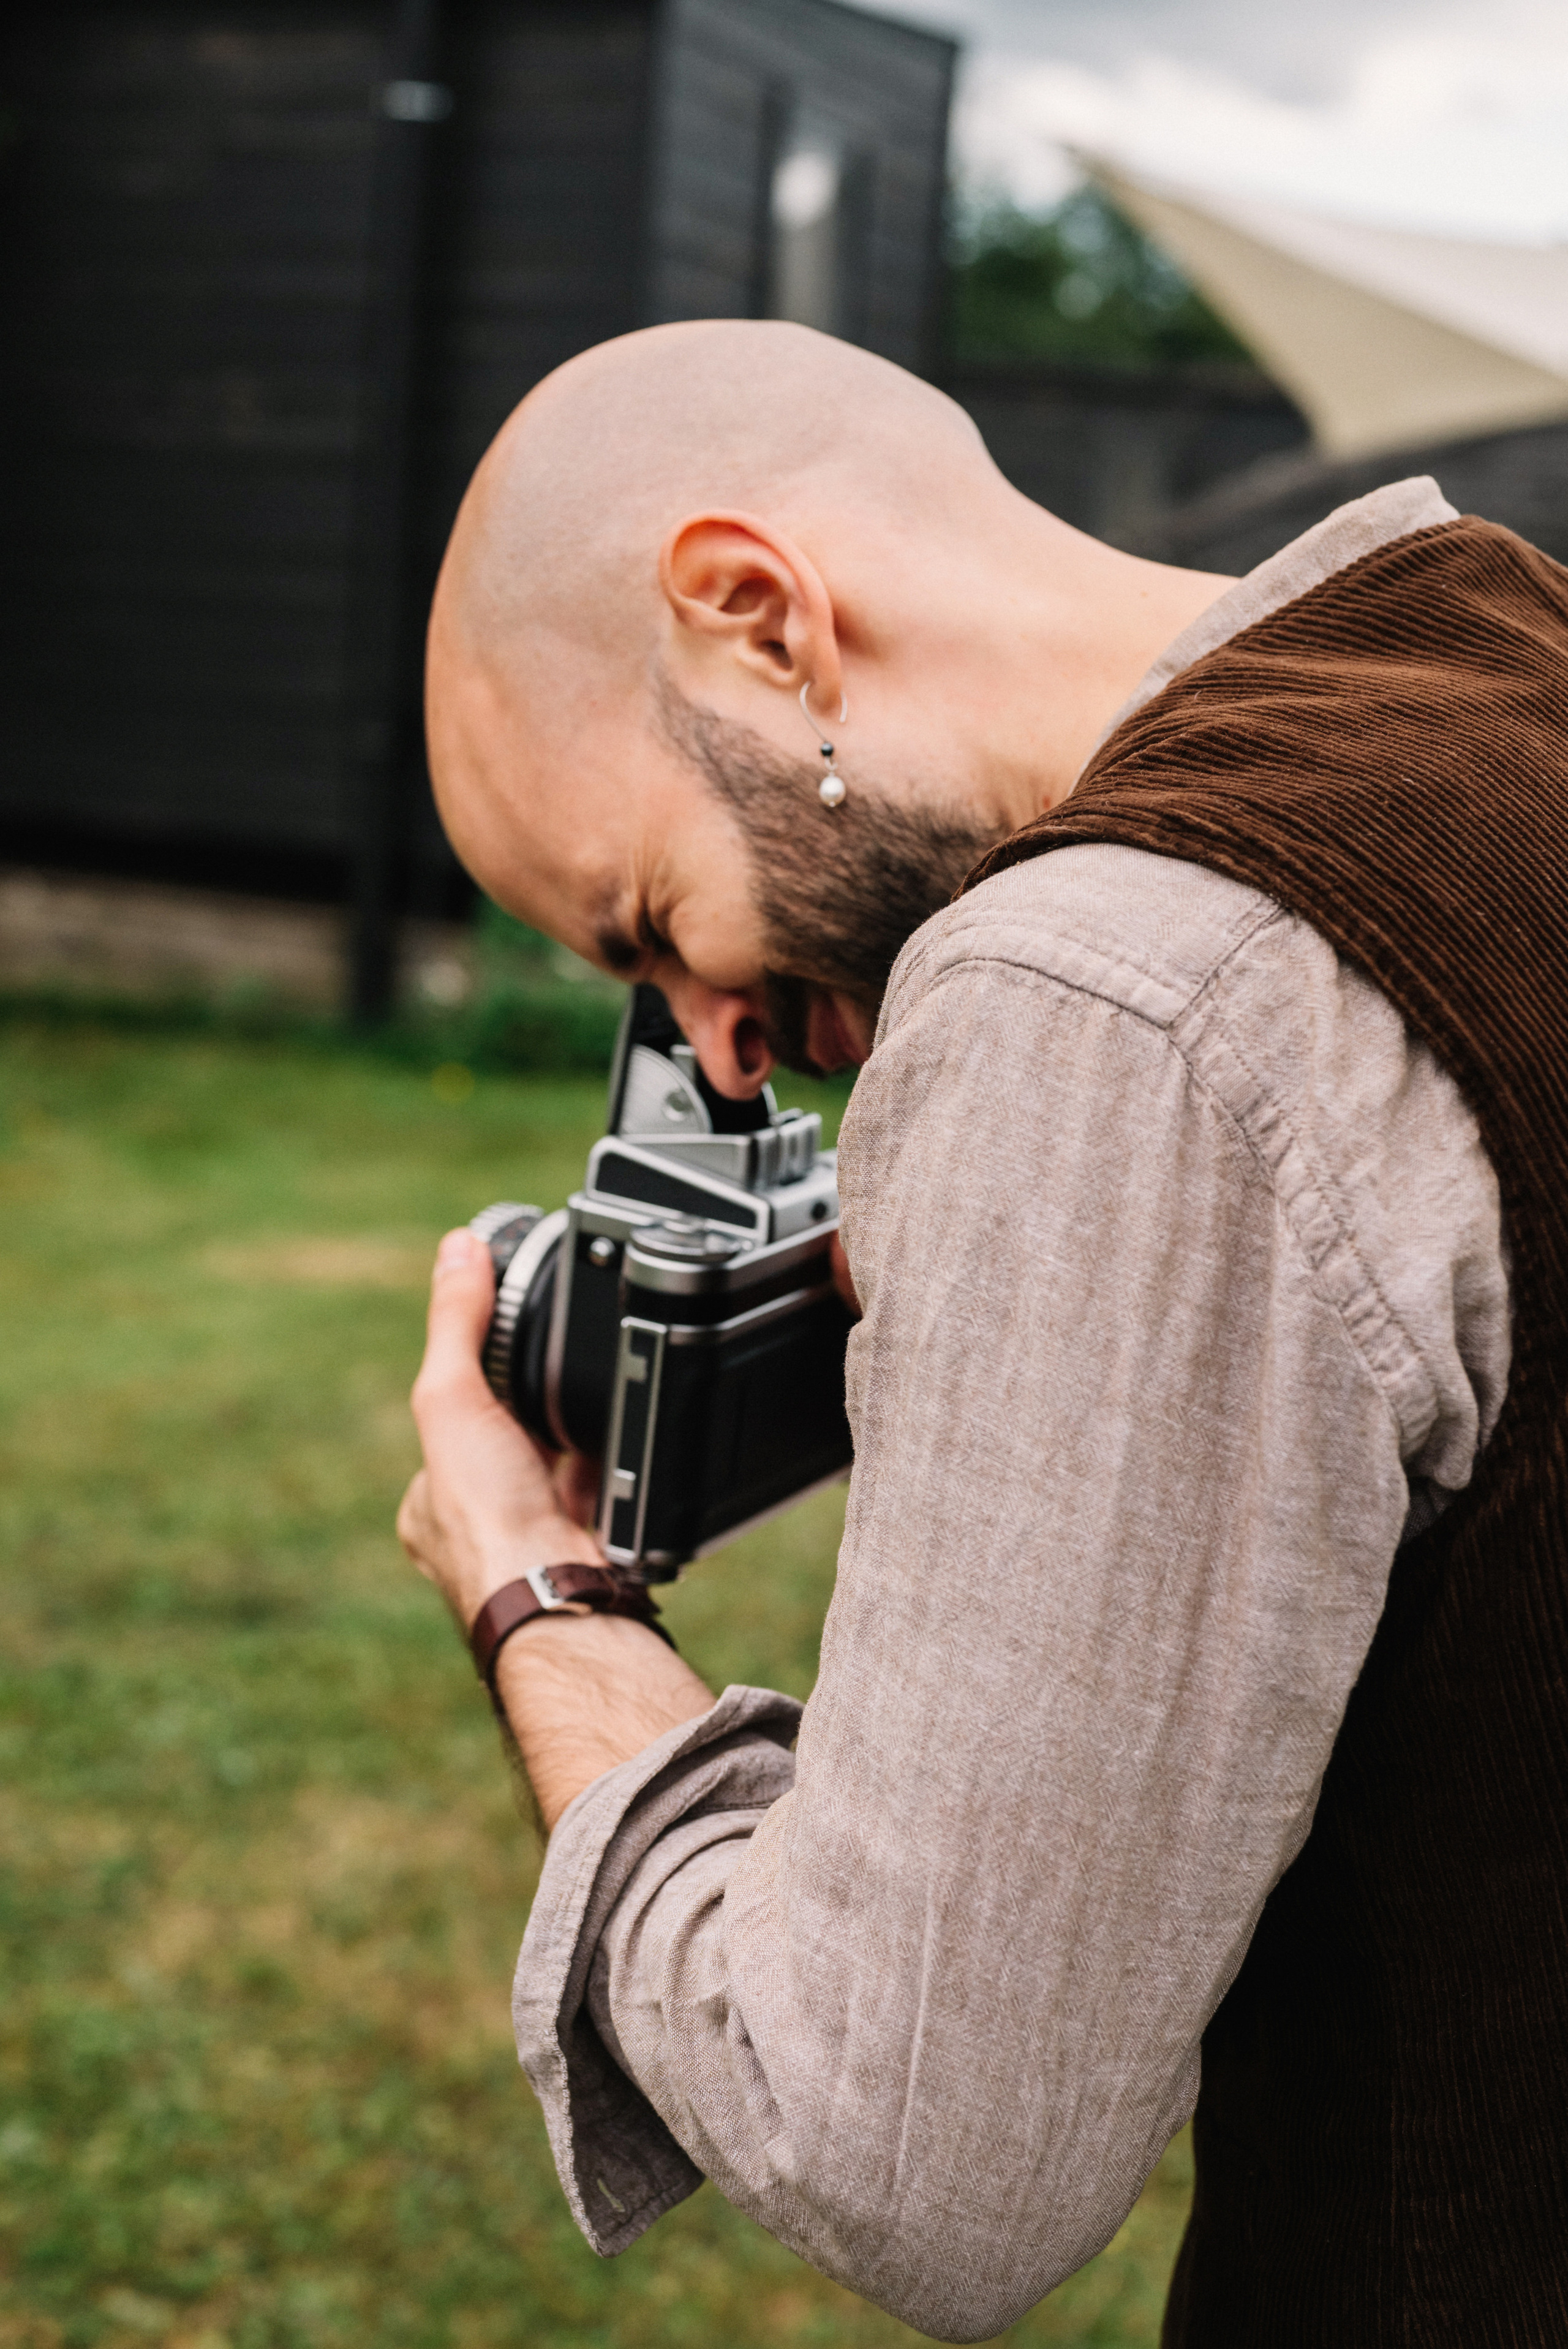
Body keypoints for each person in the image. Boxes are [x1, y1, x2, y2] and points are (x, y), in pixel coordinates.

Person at [395, 320, 1568, 2346]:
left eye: (651, 923)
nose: (719, 1051)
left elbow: (918, 2148)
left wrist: (543, 1602)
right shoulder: (1507, 647)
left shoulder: (1111, 988)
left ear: (759, 615)